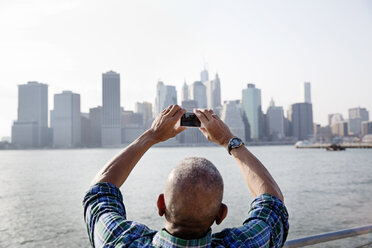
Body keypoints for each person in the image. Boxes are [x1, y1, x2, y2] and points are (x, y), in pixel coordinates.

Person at [83, 105, 289, 247]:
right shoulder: (245, 244)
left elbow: (99, 192)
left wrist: (152, 135)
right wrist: (228, 140)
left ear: (161, 204)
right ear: (221, 214)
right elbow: (273, 202)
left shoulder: (120, 242)